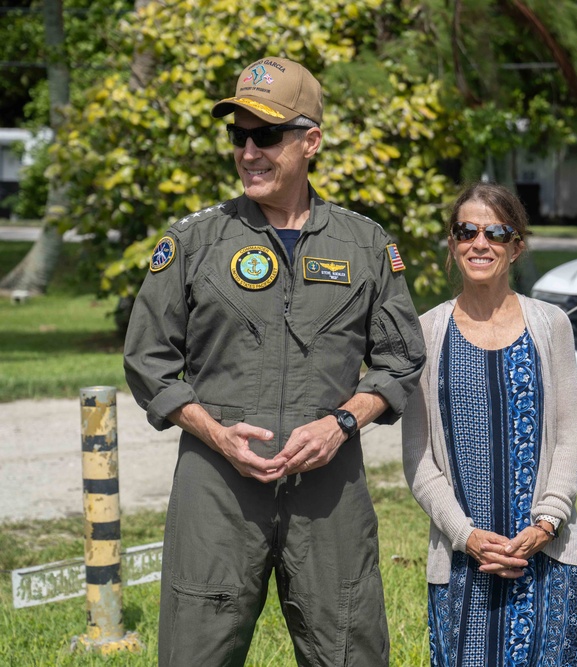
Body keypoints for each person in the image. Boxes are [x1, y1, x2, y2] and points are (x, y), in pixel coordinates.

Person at [123, 56, 426, 666]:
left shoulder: (365, 245)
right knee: (196, 652)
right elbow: (149, 360)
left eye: (266, 135)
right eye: (238, 136)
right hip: (217, 489)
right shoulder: (193, 243)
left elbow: (400, 360)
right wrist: (215, 433)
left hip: (328, 489)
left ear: (310, 140)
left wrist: (342, 423)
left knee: (349, 651)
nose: (249, 152)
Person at [403, 183, 577, 666]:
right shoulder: (426, 332)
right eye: (466, 231)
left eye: (496, 232)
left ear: (516, 246)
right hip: (463, 562)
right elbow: (418, 456)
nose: (480, 243)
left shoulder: (551, 323)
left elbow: (569, 434)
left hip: (546, 555)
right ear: (452, 243)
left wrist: (547, 522)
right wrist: (465, 534)